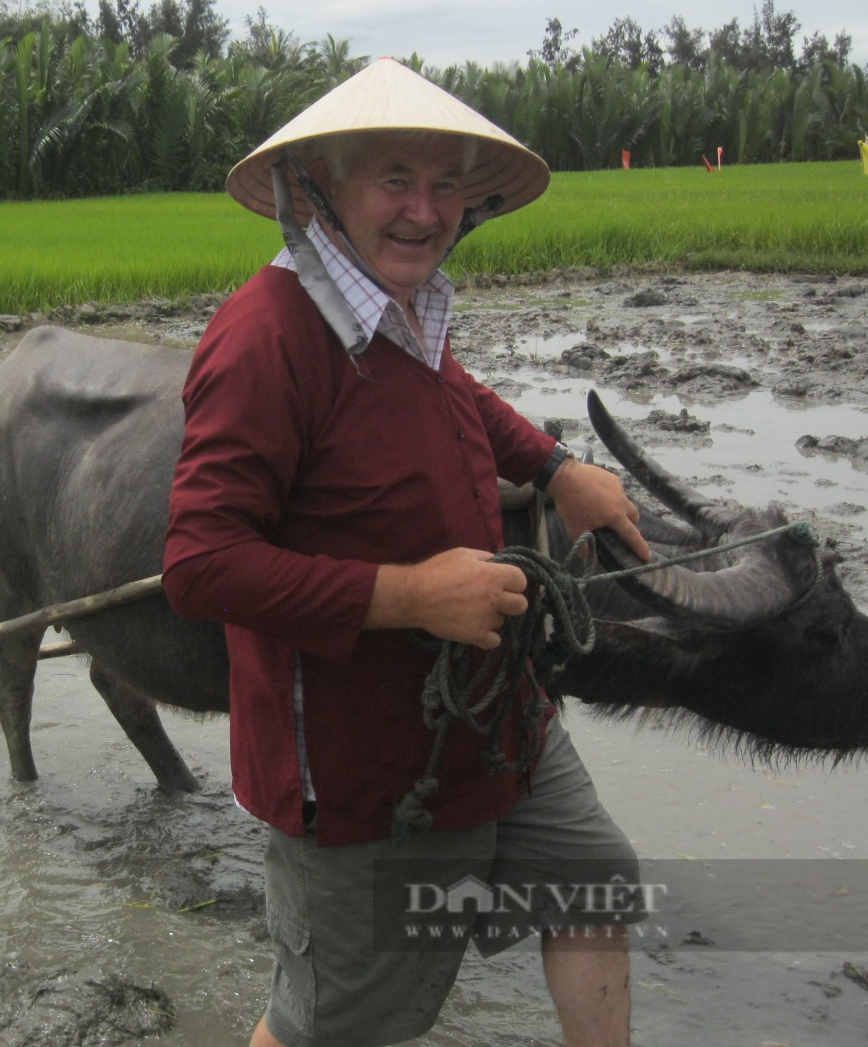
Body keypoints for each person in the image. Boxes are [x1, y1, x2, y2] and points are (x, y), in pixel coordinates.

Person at [162, 59, 655, 1047]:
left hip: (492, 711)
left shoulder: (401, 309)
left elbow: (454, 394)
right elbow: (198, 561)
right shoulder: (265, 340)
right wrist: (406, 596)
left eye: (445, 186)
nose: (425, 211)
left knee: (593, 880)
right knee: (336, 1023)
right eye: (394, 178)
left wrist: (558, 468)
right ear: (321, 189)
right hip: (365, 766)